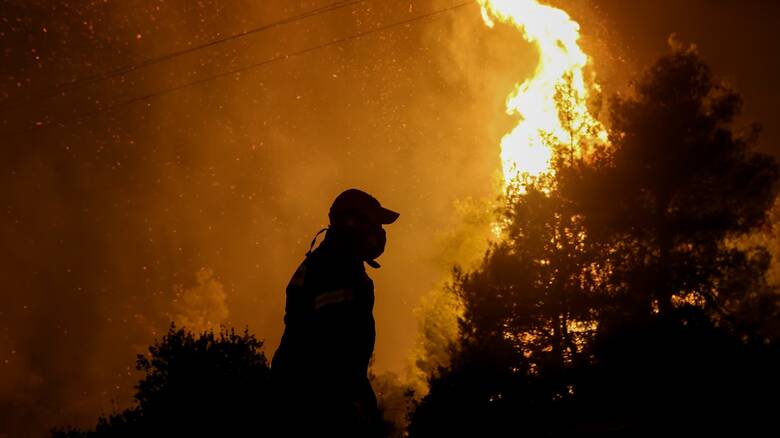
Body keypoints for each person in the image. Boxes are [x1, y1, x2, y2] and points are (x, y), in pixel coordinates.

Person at [272, 188, 399, 437]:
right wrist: (359, 405)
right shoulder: (336, 268)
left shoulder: (328, 262)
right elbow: (335, 351)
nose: (379, 233)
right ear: (352, 222)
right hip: (317, 406)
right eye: (375, 224)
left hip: (302, 396)